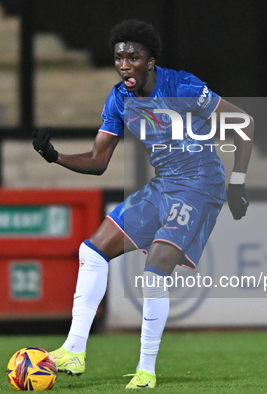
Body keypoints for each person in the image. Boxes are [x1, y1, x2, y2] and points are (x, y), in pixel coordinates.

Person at [32, 19, 254, 389]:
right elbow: (98, 161)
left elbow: (242, 124)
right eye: (119, 57)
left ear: (150, 62)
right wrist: (55, 156)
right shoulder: (119, 98)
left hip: (200, 186)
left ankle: (146, 370)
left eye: (133, 57)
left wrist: (238, 183)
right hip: (164, 185)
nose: (124, 64)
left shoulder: (182, 86)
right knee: (92, 251)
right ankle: (74, 349)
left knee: (154, 270)